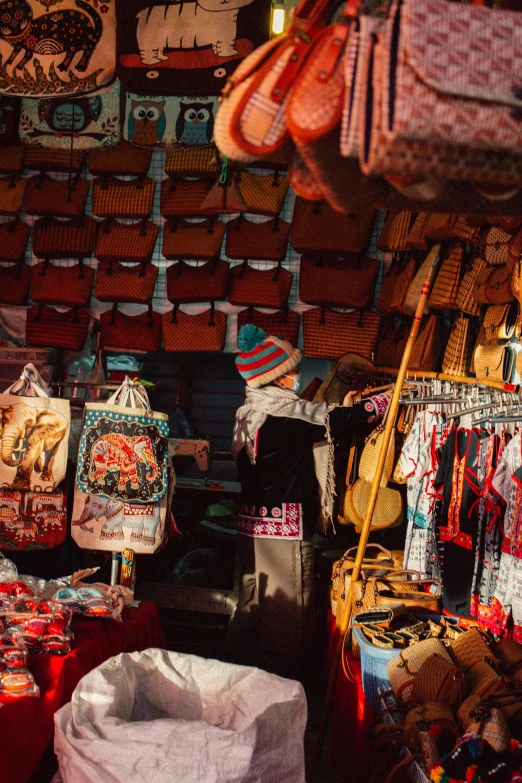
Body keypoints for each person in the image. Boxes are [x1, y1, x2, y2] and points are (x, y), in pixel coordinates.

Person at [224, 325, 390, 683]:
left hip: (250, 529)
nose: (298, 377)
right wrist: (385, 401)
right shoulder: (287, 415)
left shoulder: (248, 413)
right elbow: (341, 422)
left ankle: (229, 687)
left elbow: (316, 420)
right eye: (293, 370)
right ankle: (272, 701)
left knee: (250, 612)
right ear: (278, 378)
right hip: (282, 534)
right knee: (286, 624)